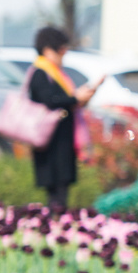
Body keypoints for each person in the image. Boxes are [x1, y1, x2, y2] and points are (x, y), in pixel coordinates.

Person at [28, 26, 99, 208]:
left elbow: (63, 101)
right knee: (56, 193)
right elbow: (50, 100)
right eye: (60, 50)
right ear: (47, 50)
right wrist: (76, 97)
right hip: (50, 143)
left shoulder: (57, 74)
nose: (63, 55)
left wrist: (80, 98)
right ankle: (55, 225)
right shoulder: (40, 73)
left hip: (63, 141)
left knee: (62, 189)